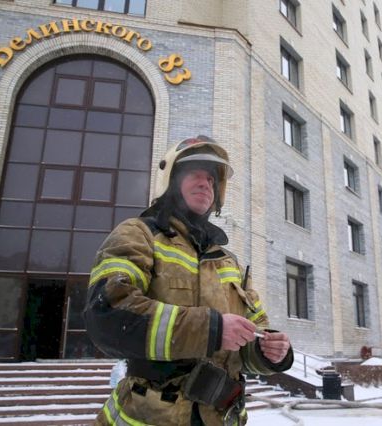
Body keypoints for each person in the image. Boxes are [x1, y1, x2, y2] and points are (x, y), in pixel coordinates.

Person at [84, 135, 293, 425]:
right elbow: (107, 315)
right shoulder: (138, 234)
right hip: (149, 415)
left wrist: (268, 351)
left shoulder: (229, 261)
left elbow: (251, 334)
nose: (205, 183)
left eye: (211, 179)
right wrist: (211, 330)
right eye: (195, 173)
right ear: (172, 180)